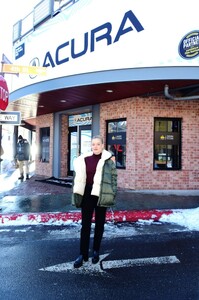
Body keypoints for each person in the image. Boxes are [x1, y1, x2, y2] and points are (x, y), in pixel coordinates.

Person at [72, 135, 117, 268]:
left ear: (103, 145)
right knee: (85, 225)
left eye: (98, 144)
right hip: (87, 193)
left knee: (99, 224)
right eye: (93, 144)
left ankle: (96, 251)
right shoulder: (84, 159)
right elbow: (78, 176)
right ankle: (82, 254)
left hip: (100, 194)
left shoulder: (108, 160)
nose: (95, 146)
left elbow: (113, 179)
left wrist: (112, 194)